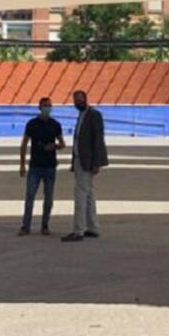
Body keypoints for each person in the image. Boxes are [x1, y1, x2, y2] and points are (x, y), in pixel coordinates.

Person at [62, 89, 109, 243]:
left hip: (86, 161)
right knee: (89, 194)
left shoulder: (94, 115)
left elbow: (98, 140)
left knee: (80, 195)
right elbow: (78, 141)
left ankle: (78, 230)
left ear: (85, 99)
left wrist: (96, 163)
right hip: (79, 160)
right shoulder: (81, 115)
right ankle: (93, 227)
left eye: (80, 99)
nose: (77, 102)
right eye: (75, 100)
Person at [19, 97, 65, 236]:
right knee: (30, 196)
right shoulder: (32, 124)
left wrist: (54, 146)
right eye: (45, 105)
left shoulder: (55, 124)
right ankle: (25, 226)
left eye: (49, 105)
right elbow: (24, 143)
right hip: (35, 166)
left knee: (49, 198)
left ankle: (45, 225)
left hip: (50, 166)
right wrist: (22, 164)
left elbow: (62, 144)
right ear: (39, 107)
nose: (47, 108)